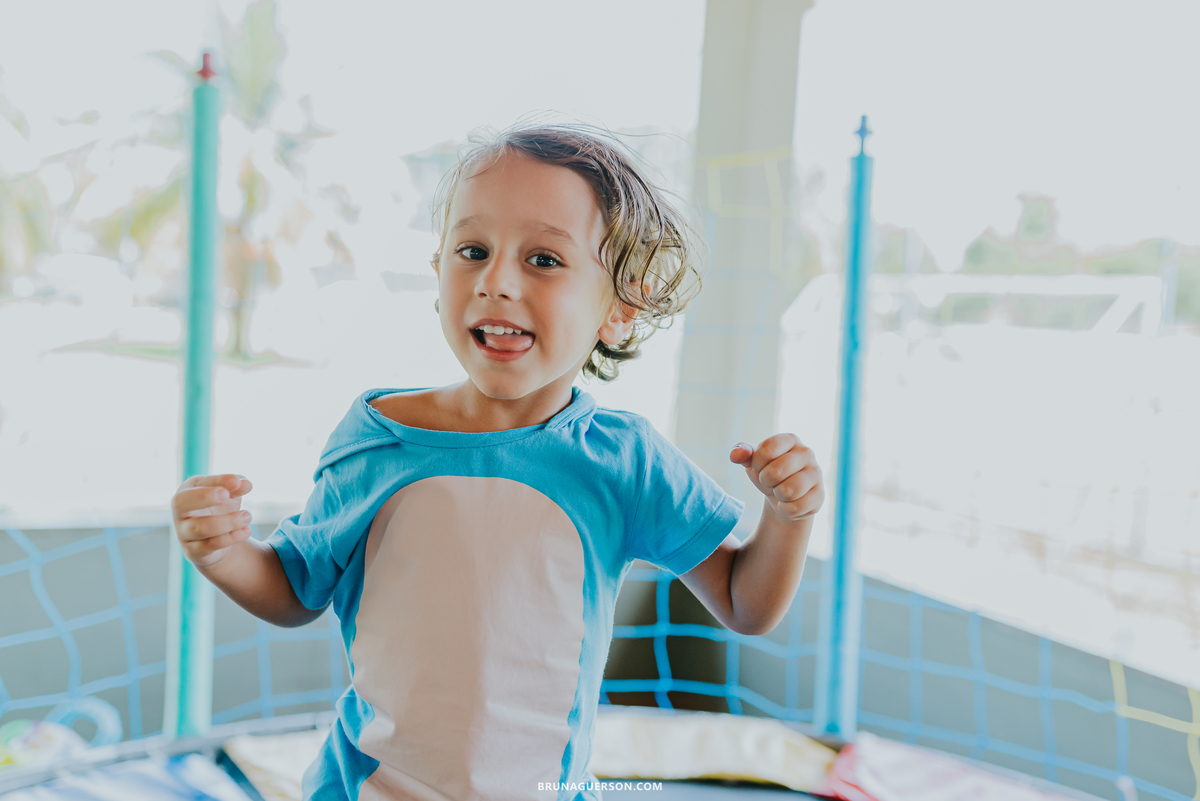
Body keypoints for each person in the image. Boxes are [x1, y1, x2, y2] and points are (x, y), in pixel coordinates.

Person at [170, 124, 824, 801]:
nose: (496, 281)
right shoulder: (378, 436)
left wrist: (788, 516)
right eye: (473, 251)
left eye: (543, 259)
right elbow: (294, 588)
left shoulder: (625, 458)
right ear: (439, 273)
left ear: (620, 308)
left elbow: (745, 602)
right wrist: (225, 553)